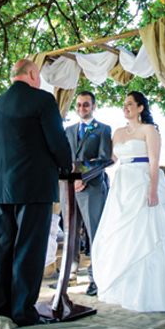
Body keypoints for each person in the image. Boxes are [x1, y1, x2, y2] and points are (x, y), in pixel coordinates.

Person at [0, 59, 72, 327]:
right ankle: (23, 312)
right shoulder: (43, 100)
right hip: (34, 186)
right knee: (29, 249)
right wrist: (66, 167)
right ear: (33, 74)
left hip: (3, 188)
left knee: (5, 248)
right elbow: (57, 140)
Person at [91, 91, 165, 314]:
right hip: (122, 187)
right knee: (121, 235)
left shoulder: (149, 130)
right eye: (124, 104)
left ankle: (156, 293)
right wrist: (94, 165)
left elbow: (155, 162)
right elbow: (112, 161)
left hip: (143, 183)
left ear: (141, 107)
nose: (125, 108)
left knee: (148, 233)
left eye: (130, 104)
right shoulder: (118, 132)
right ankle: (124, 288)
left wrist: (153, 190)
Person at [63, 90, 112, 297]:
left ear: (93, 106)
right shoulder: (68, 130)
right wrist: (71, 181)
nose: (82, 108)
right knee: (70, 233)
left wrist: (82, 179)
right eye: (79, 105)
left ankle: (96, 278)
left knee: (94, 235)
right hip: (70, 190)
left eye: (86, 104)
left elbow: (104, 159)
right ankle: (69, 275)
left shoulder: (103, 129)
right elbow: (64, 157)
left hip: (92, 189)